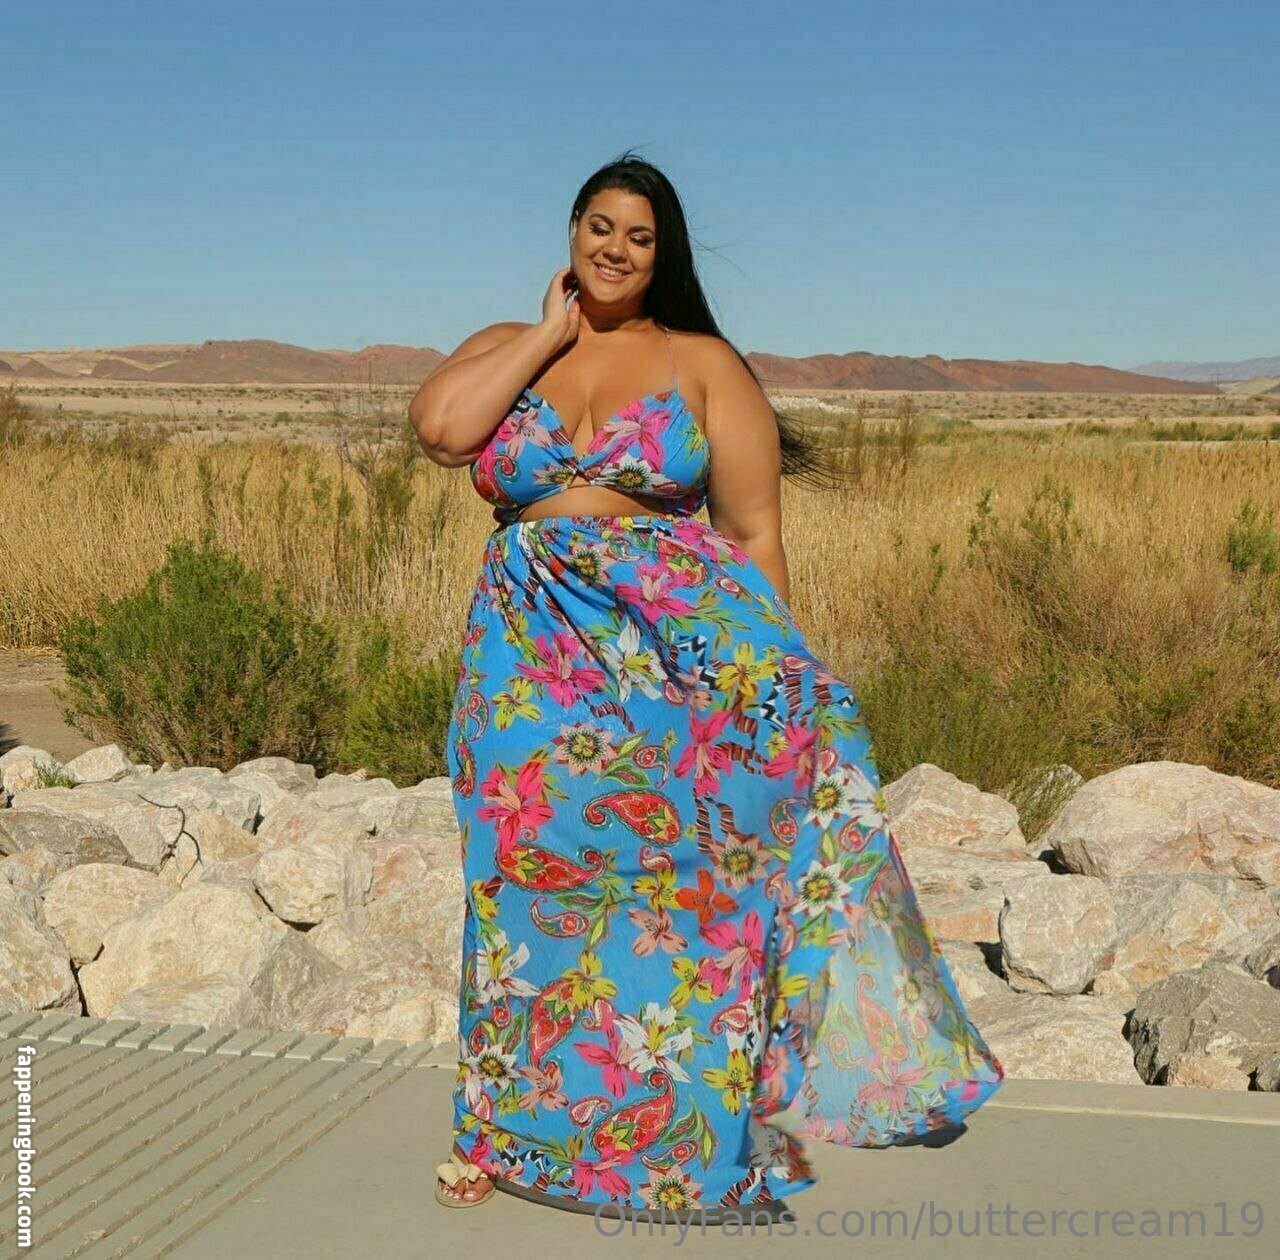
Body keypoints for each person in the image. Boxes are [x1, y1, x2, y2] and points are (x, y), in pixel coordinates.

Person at [410, 151, 1003, 1223]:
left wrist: (772, 681)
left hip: (663, 644)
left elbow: (752, 531)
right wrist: (546, 334)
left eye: (638, 237)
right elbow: (444, 432)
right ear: (571, 232)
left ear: (662, 254)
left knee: (673, 880)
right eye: (599, 226)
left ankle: (685, 1130)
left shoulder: (701, 362)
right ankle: (512, 1129)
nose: (615, 248)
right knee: (519, 878)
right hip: (526, 656)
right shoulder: (506, 346)